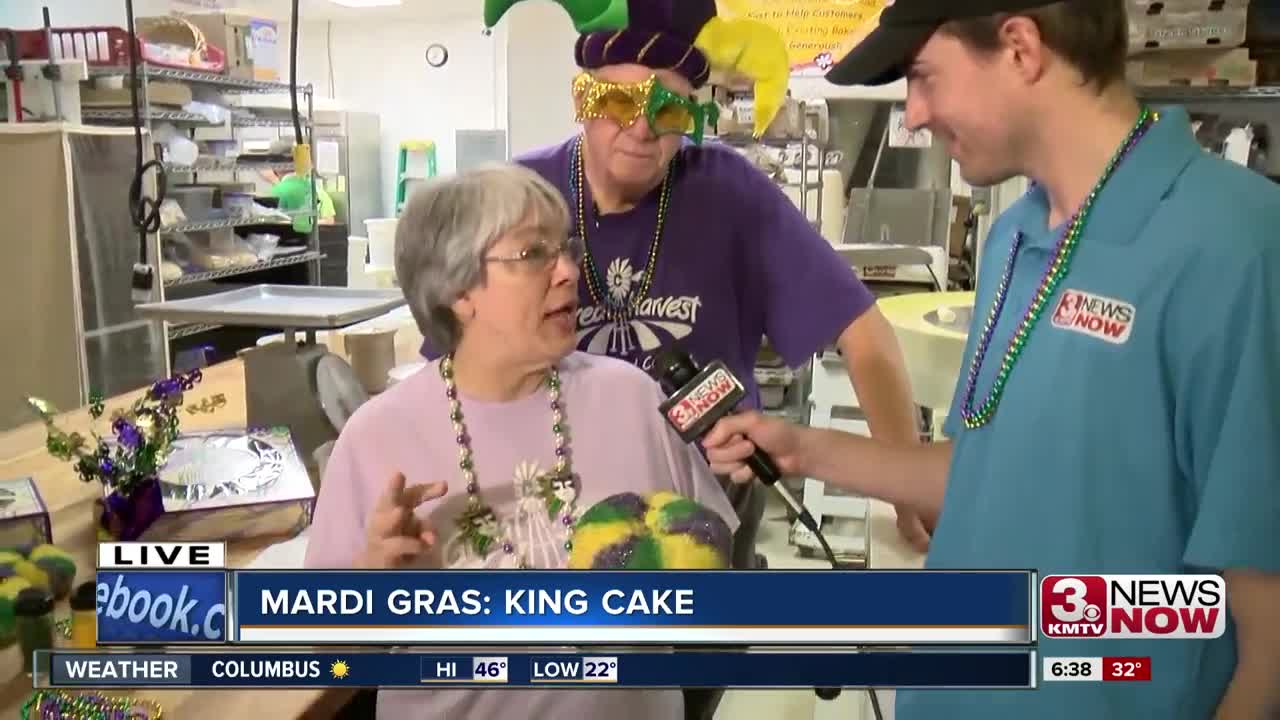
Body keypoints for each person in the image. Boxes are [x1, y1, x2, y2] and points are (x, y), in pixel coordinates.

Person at [704, 1, 1280, 718]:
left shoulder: (1240, 247)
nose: (912, 114)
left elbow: (1269, 643)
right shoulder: (1014, 239)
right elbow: (987, 474)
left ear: (1019, 48)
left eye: (924, 78)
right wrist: (800, 449)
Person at [478, 0, 930, 575]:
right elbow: (456, 355)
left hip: (709, 494)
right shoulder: (519, 194)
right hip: (553, 491)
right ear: (582, 100)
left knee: (703, 658)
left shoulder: (727, 191)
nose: (641, 128)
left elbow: (864, 336)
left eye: (668, 111)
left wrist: (907, 487)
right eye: (618, 101)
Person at [304, 164, 738, 719]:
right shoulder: (376, 438)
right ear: (460, 291)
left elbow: (709, 577)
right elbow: (319, 649)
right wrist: (372, 582)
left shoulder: (630, 397)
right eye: (534, 255)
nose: (568, 272)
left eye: (567, 250)